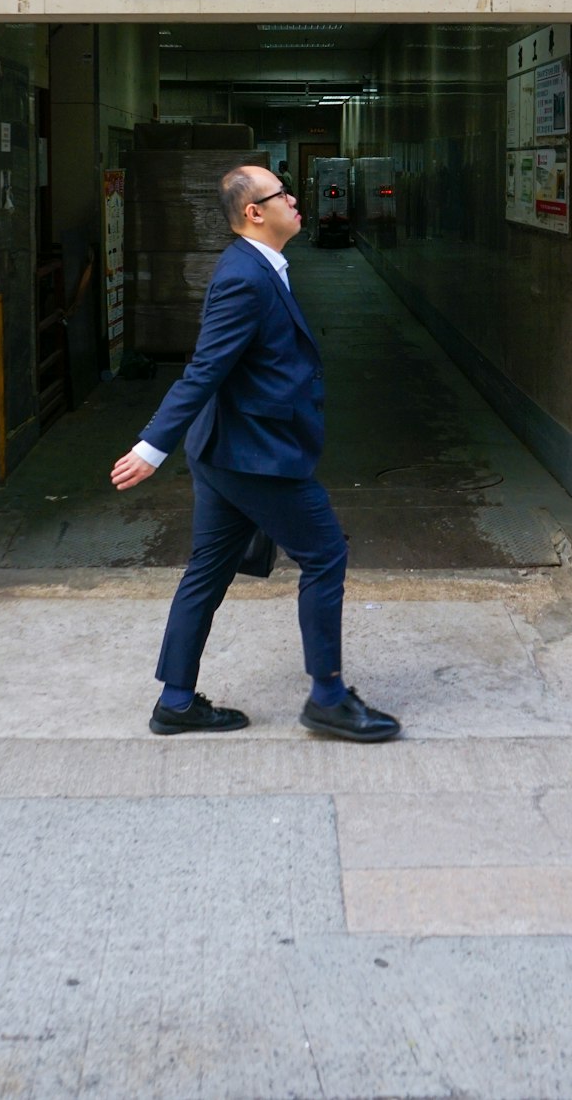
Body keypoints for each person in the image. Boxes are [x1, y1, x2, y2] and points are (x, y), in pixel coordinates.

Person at [111, 164, 401, 743]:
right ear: (254, 211)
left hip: (228, 451)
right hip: (255, 457)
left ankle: (175, 701)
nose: (295, 200)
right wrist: (152, 444)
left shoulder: (263, 267)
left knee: (208, 570)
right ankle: (328, 698)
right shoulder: (246, 276)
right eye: (282, 194)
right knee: (324, 556)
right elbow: (205, 369)